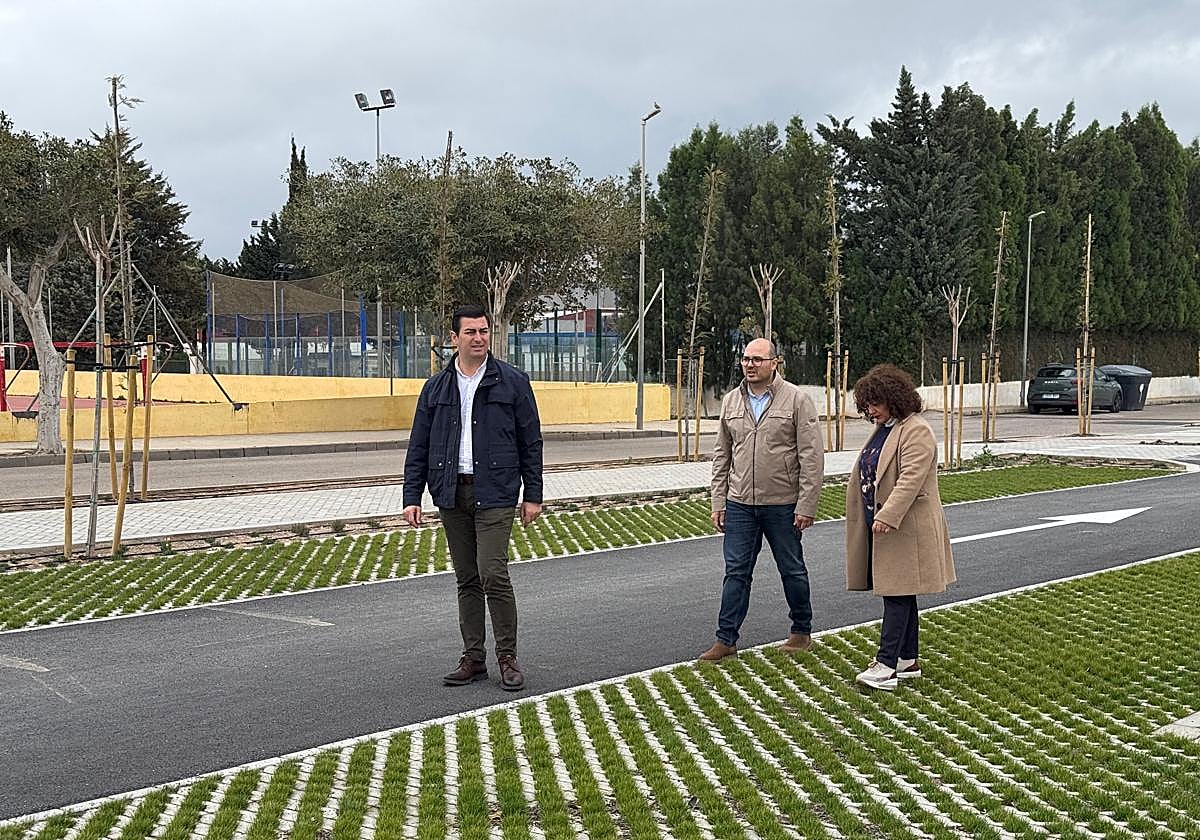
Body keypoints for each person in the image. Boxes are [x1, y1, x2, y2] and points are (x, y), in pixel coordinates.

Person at [403, 304, 544, 691]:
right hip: (451, 492)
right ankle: (474, 658)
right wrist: (411, 495)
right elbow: (419, 445)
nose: (479, 338)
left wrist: (533, 494)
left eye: (484, 331)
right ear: (454, 338)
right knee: (466, 578)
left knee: (492, 573)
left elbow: (531, 441)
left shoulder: (512, 382)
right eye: (471, 332)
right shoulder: (436, 388)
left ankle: (508, 657)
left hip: (496, 492)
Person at [701, 337, 824, 661]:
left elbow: (811, 456)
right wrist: (719, 501)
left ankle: (801, 631)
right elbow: (721, 456)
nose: (750, 365)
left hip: (782, 503)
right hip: (740, 504)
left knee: (791, 568)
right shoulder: (731, 401)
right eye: (745, 359)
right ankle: (725, 639)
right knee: (736, 571)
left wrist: (806, 504)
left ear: (775, 363)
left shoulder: (797, 400)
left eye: (757, 359)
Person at [845, 363, 955, 691]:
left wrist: (886, 516)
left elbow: (910, 480)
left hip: (905, 528)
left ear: (895, 398)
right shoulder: (888, 427)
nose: (870, 410)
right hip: (885, 525)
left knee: (896, 592)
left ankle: (886, 665)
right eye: (866, 405)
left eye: (875, 403)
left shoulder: (915, 429)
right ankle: (908, 660)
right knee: (901, 594)